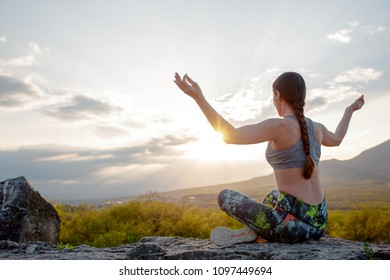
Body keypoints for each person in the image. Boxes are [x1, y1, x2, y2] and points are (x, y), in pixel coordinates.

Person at [174, 72, 365, 245]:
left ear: (277, 95)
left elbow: (230, 135)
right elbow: (338, 139)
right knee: (274, 195)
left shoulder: (279, 126)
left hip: (294, 228)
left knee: (225, 196)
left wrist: (199, 98)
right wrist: (349, 111)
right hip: (320, 221)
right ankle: (255, 231)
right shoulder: (318, 128)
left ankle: (258, 231)